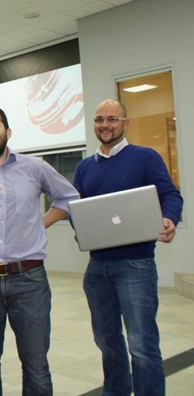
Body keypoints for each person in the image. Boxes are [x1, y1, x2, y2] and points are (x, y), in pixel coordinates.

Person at [0, 103, 79, 395]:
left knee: (36, 367)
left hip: (29, 280)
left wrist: (39, 224)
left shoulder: (34, 167)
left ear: (7, 131)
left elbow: (68, 198)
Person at [73, 99, 183, 396]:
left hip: (137, 265)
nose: (105, 125)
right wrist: (80, 228)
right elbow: (77, 210)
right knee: (108, 342)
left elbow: (171, 195)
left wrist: (169, 218)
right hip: (96, 269)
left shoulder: (145, 157)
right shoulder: (85, 167)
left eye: (112, 119)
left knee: (142, 345)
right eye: (99, 119)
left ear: (125, 123)